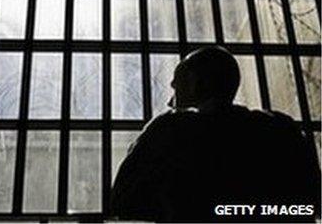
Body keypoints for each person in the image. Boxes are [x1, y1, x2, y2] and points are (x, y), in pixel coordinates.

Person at [110, 46, 321, 222]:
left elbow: (123, 201)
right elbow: (312, 202)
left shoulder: (169, 130)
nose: (171, 99)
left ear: (195, 83)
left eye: (178, 83)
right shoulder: (281, 128)